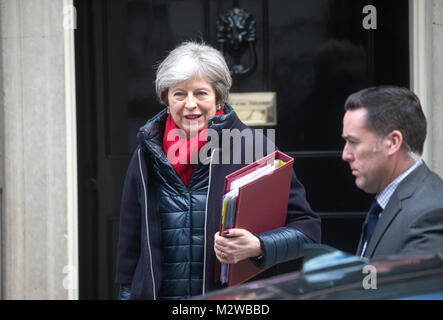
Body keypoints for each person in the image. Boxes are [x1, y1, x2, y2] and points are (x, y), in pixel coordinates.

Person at [115, 41, 321, 300]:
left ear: (218, 97)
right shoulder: (147, 152)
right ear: (167, 99)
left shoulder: (254, 148)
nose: (190, 104)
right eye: (179, 94)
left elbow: (308, 231)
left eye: (201, 93)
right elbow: (130, 248)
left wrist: (258, 246)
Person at [341, 86, 443, 259]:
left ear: (393, 142)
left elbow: (413, 286)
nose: (345, 155)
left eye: (353, 142)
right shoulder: (387, 200)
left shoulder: (431, 212)